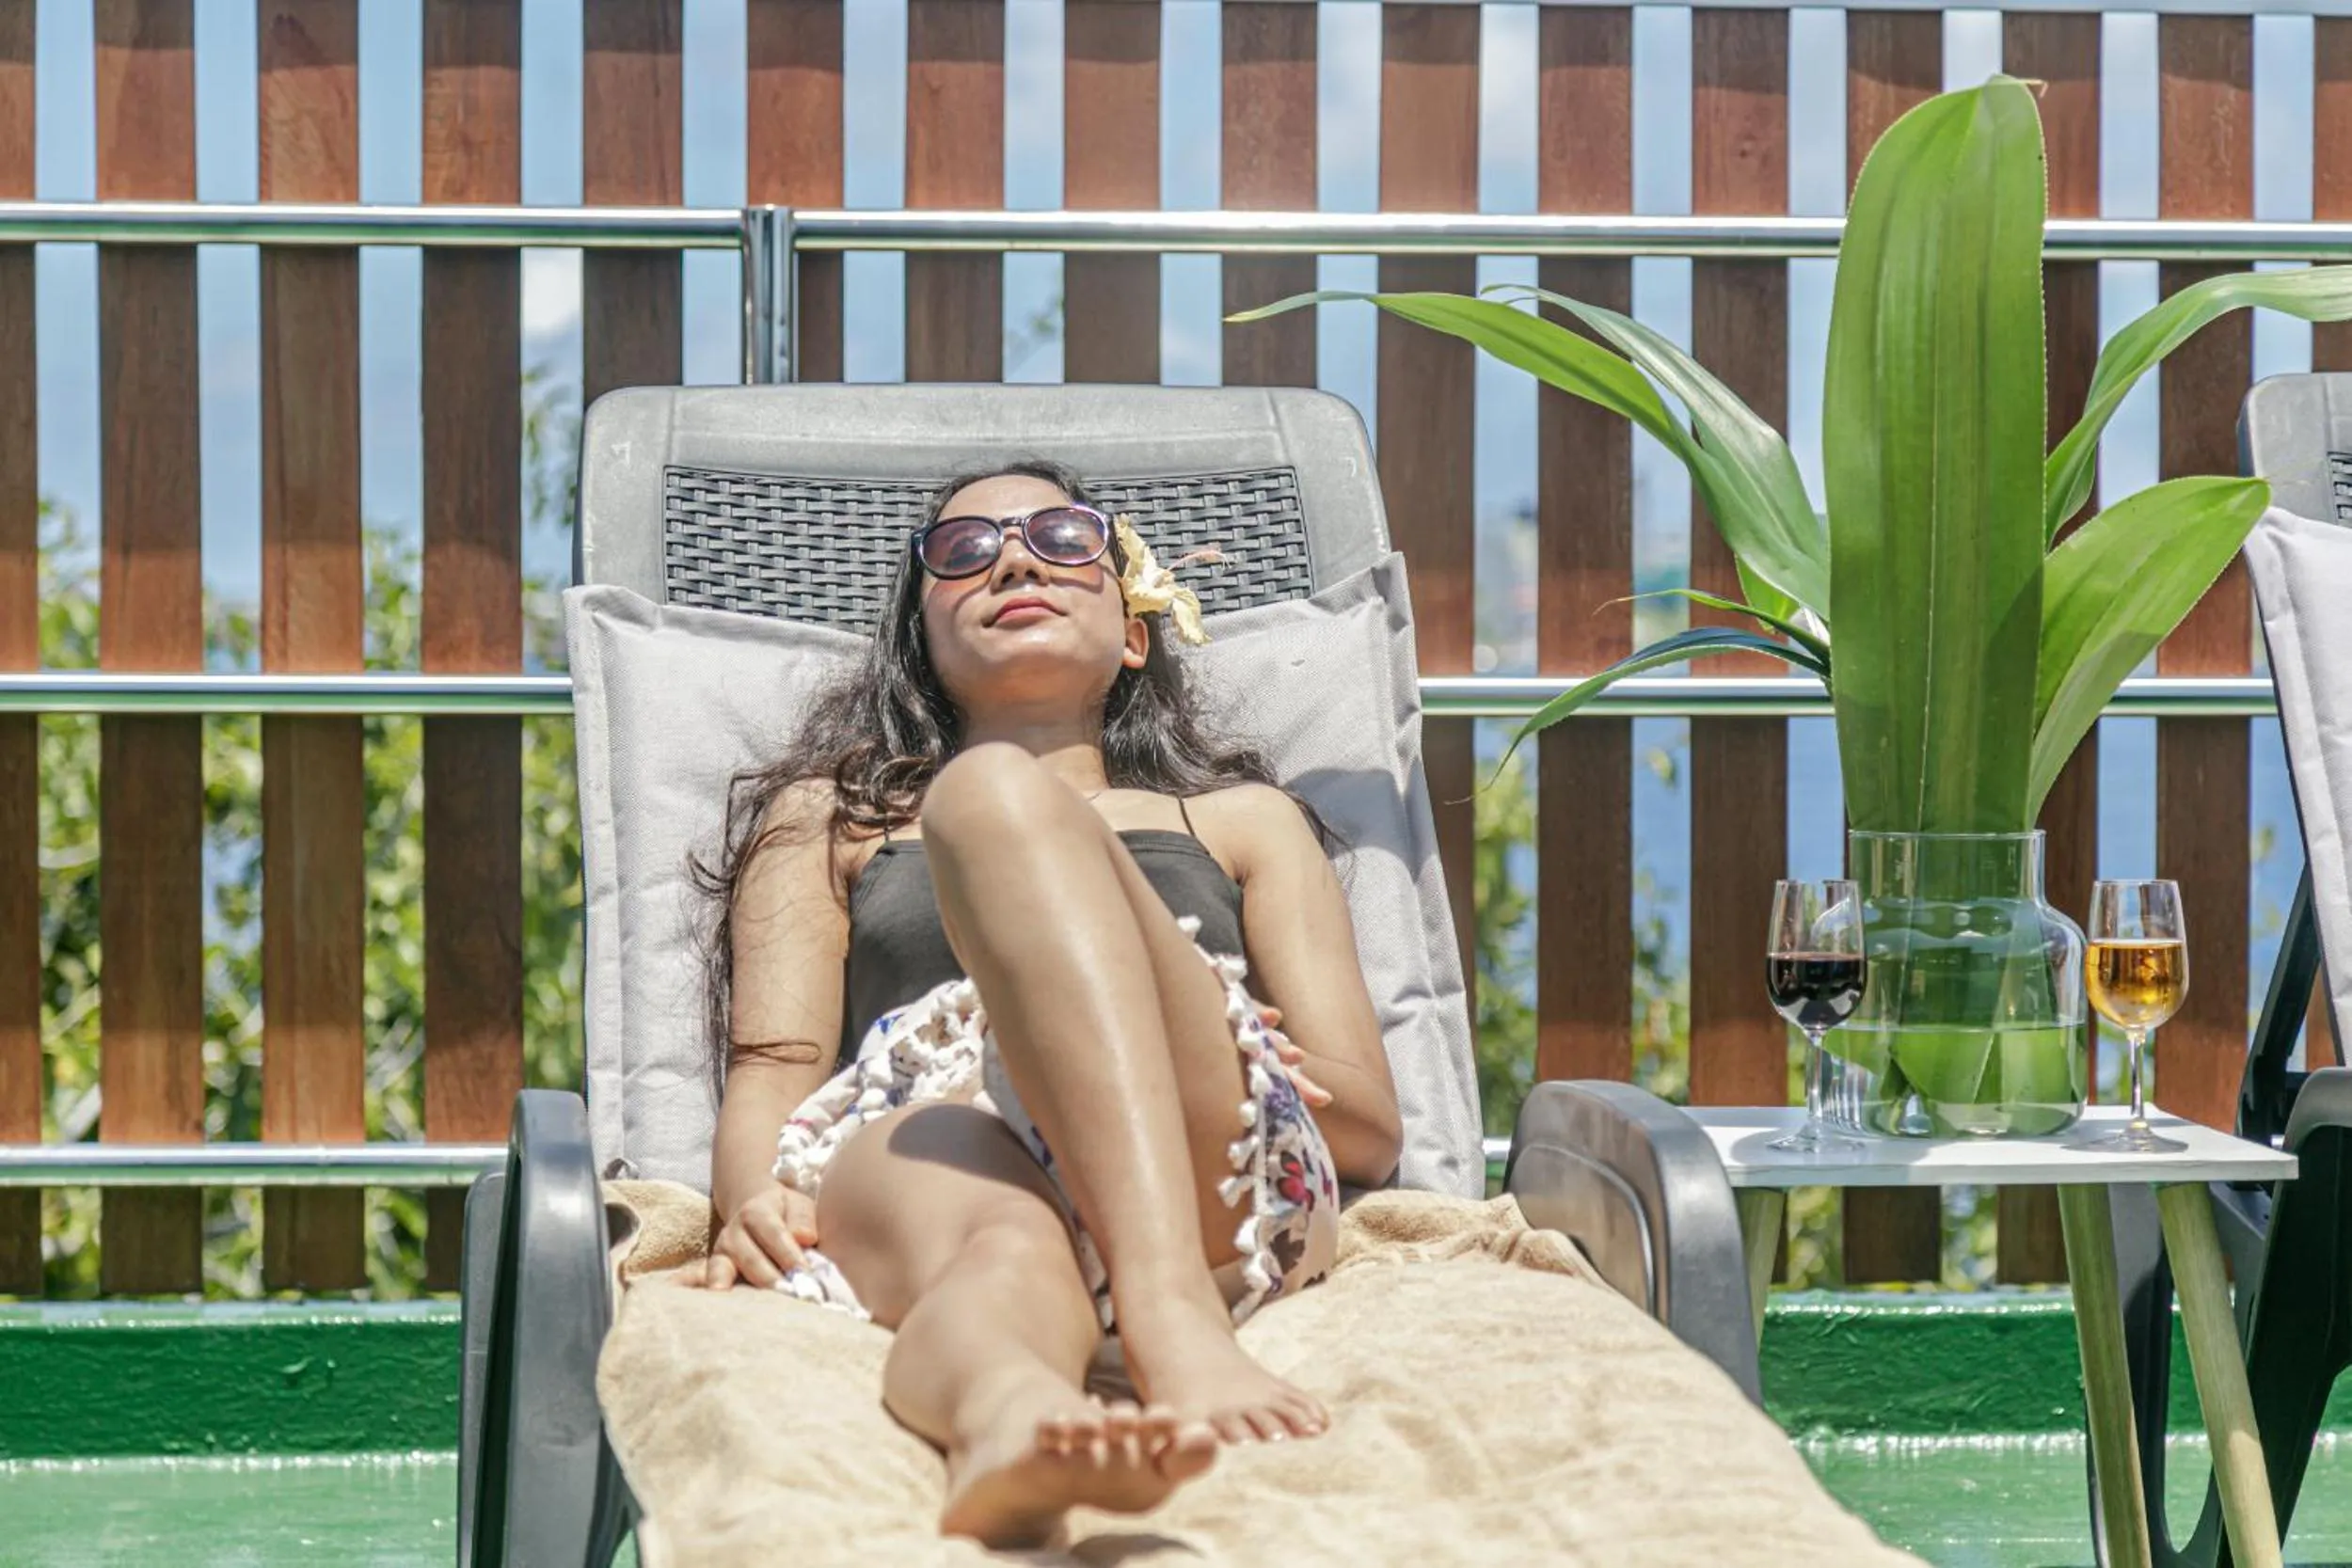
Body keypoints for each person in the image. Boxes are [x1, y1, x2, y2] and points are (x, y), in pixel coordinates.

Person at [686, 460, 1404, 1548]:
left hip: (1195, 1152)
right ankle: (1010, 1417)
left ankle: (1166, 1308)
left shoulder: (1241, 820)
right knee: (998, 1254)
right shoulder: (826, 820)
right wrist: (751, 1200)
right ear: (922, 638)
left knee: (988, 795)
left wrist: (1252, 1054)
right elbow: (774, 1069)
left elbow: (1371, 1127)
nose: (1015, 560)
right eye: (963, 551)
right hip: (937, 1140)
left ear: (1133, 632)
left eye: (1064, 539)